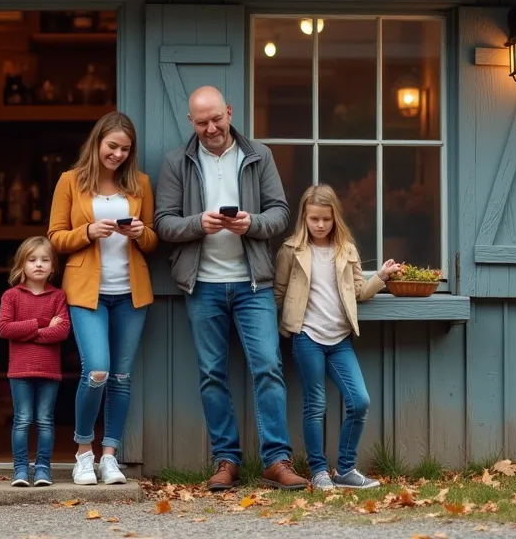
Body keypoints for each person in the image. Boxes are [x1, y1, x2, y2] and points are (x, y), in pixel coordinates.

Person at [153, 86, 308, 491]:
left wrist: (250, 224)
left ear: (230, 112)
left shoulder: (258, 155)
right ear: (191, 122)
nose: (210, 128)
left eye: (216, 119)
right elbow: (164, 223)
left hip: (252, 283)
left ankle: (277, 460)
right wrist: (196, 224)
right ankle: (226, 460)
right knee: (211, 375)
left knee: (269, 368)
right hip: (202, 284)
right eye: (201, 122)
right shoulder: (176, 162)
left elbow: (281, 213)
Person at [48, 111, 157, 486]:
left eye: (126, 149)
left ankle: (109, 456)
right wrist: (89, 231)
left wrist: (143, 233)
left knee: (121, 378)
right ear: (97, 143)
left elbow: (154, 241)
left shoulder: (140, 183)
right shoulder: (70, 182)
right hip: (86, 293)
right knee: (96, 371)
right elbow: (55, 238)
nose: (118, 155)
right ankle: (82, 452)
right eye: (112, 146)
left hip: (131, 293)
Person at [273, 184, 400, 490]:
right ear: (304, 217)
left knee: (359, 401)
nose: (320, 225)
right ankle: (318, 471)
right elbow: (278, 295)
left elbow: (358, 293)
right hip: (307, 338)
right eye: (314, 219)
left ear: (335, 219)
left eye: (326, 219)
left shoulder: (346, 250)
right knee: (315, 405)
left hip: (340, 339)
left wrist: (380, 277)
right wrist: (286, 326)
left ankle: (345, 470)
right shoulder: (291, 250)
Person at [0, 236, 72, 488]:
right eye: (32, 260)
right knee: (22, 420)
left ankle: (42, 469)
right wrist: (41, 325)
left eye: (45, 260)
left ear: (53, 265)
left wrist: (28, 334)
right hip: (20, 370)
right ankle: (20, 469)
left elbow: (61, 332)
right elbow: (4, 328)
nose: (39, 264)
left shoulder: (58, 296)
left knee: (45, 420)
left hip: (49, 370)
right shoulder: (11, 296)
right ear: (22, 264)